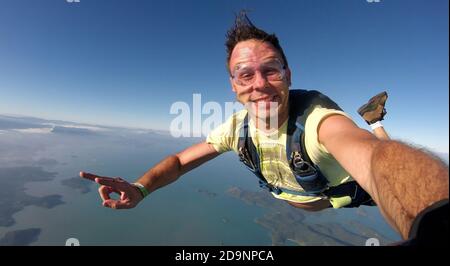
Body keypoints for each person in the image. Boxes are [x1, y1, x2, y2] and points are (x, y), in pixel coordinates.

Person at [80, 12, 448, 244]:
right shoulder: (237, 127)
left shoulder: (319, 123)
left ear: (288, 76)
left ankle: (375, 123)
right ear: (233, 86)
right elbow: (179, 161)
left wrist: (436, 216)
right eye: (245, 74)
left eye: (271, 69)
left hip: (343, 193)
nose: (259, 83)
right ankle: (376, 120)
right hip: (309, 196)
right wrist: (142, 188)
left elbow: (376, 161)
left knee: (375, 145)